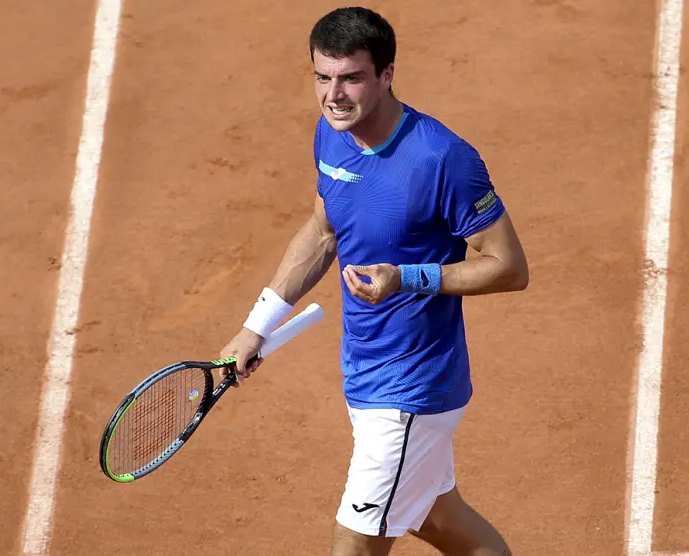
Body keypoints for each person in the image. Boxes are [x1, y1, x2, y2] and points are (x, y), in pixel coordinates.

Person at [219, 6, 528, 556]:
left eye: (351, 78)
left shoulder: (442, 159)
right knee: (440, 521)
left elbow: (509, 266)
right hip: (365, 370)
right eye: (322, 77)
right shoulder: (331, 133)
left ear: (387, 74)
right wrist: (257, 326)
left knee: (355, 545)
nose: (334, 95)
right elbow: (323, 232)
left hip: (413, 386)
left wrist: (405, 278)